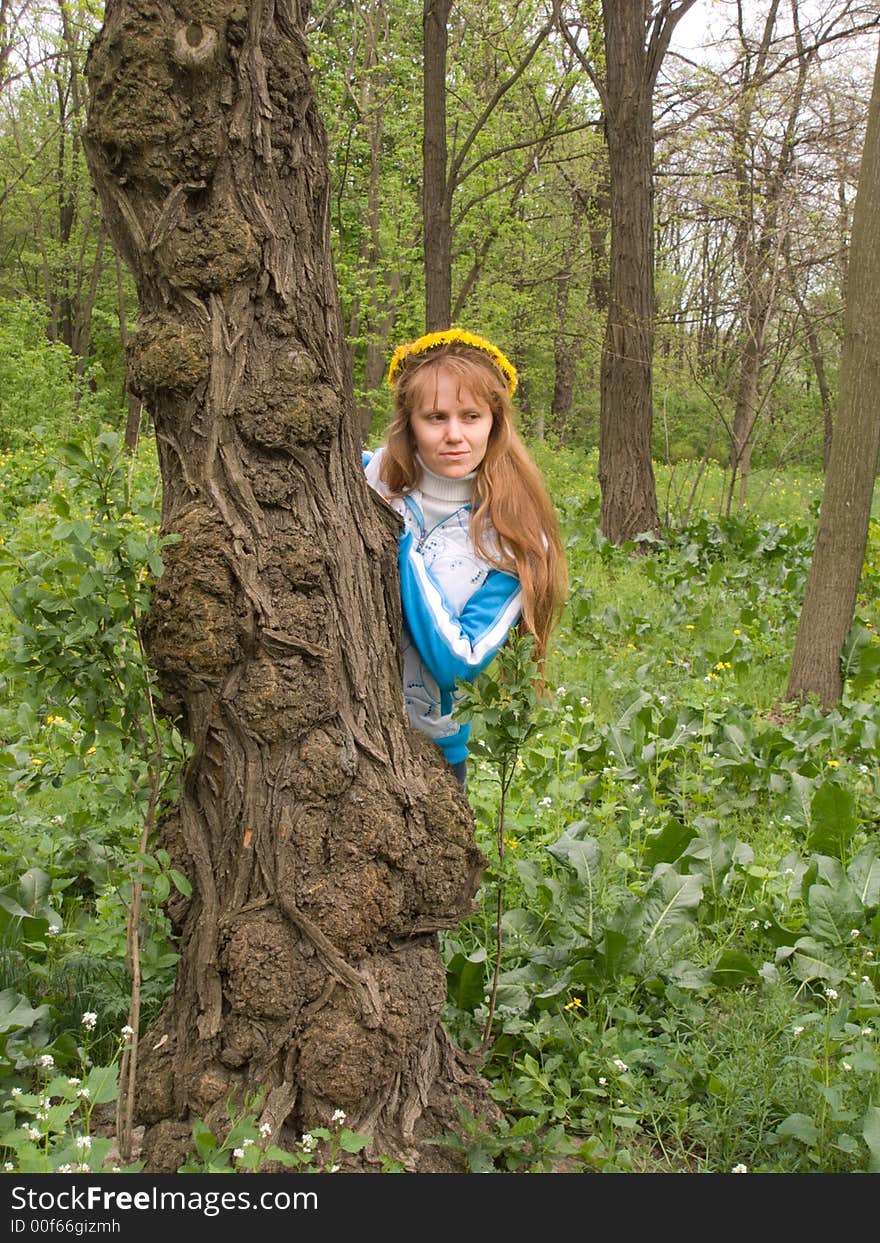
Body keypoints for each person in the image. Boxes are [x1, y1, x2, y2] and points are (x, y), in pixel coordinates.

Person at [363, 328, 568, 786]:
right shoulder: (366, 478)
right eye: (436, 417)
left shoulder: (515, 537)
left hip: (429, 753)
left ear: (494, 422)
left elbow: (460, 658)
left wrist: (398, 545)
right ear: (408, 422)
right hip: (335, 730)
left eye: (471, 416)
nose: (454, 435)